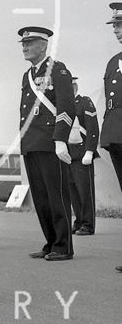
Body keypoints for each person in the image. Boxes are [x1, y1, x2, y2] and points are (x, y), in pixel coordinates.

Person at [18, 26, 75, 261]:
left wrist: (60, 139)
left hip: (50, 143)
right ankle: (51, 242)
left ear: (43, 45)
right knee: (41, 198)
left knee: (56, 196)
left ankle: (63, 246)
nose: (24, 46)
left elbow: (66, 107)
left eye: (29, 42)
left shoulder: (58, 71)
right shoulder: (27, 75)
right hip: (32, 143)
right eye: (23, 43)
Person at [100, 2, 122, 272]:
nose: (116, 30)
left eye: (120, 25)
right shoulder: (114, 62)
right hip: (116, 134)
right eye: (115, 26)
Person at [67, 77, 99, 236]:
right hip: (69, 155)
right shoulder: (63, 107)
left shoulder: (84, 102)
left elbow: (93, 128)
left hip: (82, 154)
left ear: (74, 88)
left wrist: (90, 151)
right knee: (73, 192)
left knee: (85, 191)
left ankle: (88, 224)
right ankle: (79, 221)